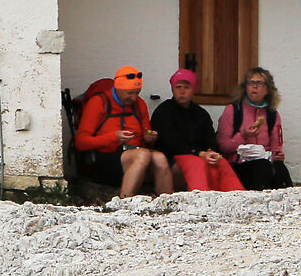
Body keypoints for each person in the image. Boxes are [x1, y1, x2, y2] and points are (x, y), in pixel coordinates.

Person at [74, 65, 171, 198]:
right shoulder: (99, 102)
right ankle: (125, 200)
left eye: (137, 92)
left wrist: (148, 137)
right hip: (104, 159)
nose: (134, 98)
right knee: (142, 155)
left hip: (134, 155)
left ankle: (167, 201)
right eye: (130, 93)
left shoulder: (139, 104)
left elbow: (146, 136)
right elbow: (81, 142)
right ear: (118, 88)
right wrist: (114, 137)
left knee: (160, 158)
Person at [151, 68, 243, 192]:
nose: (182, 91)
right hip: (172, 159)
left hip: (199, 155)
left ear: (194, 89)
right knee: (197, 163)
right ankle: (201, 196)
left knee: (220, 162)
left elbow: (210, 139)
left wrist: (211, 152)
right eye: (178, 87)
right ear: (172, 89)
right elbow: (170, 142)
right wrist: (199, 153)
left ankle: (235, 195)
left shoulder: (201, 114)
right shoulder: (163, 111)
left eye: (186, 87)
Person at [218, 66, 292, 189]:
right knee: (262, 167)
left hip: (265, 161)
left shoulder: (272, 114)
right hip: (238, 165)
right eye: (251, 83)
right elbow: (223, 146)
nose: (254, 86)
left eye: (259, 83)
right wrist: (243, 136)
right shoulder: (233, 111)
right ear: (245, 87)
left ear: (267, 89)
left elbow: (276, 146)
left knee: (280, 169)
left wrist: (277, 155)